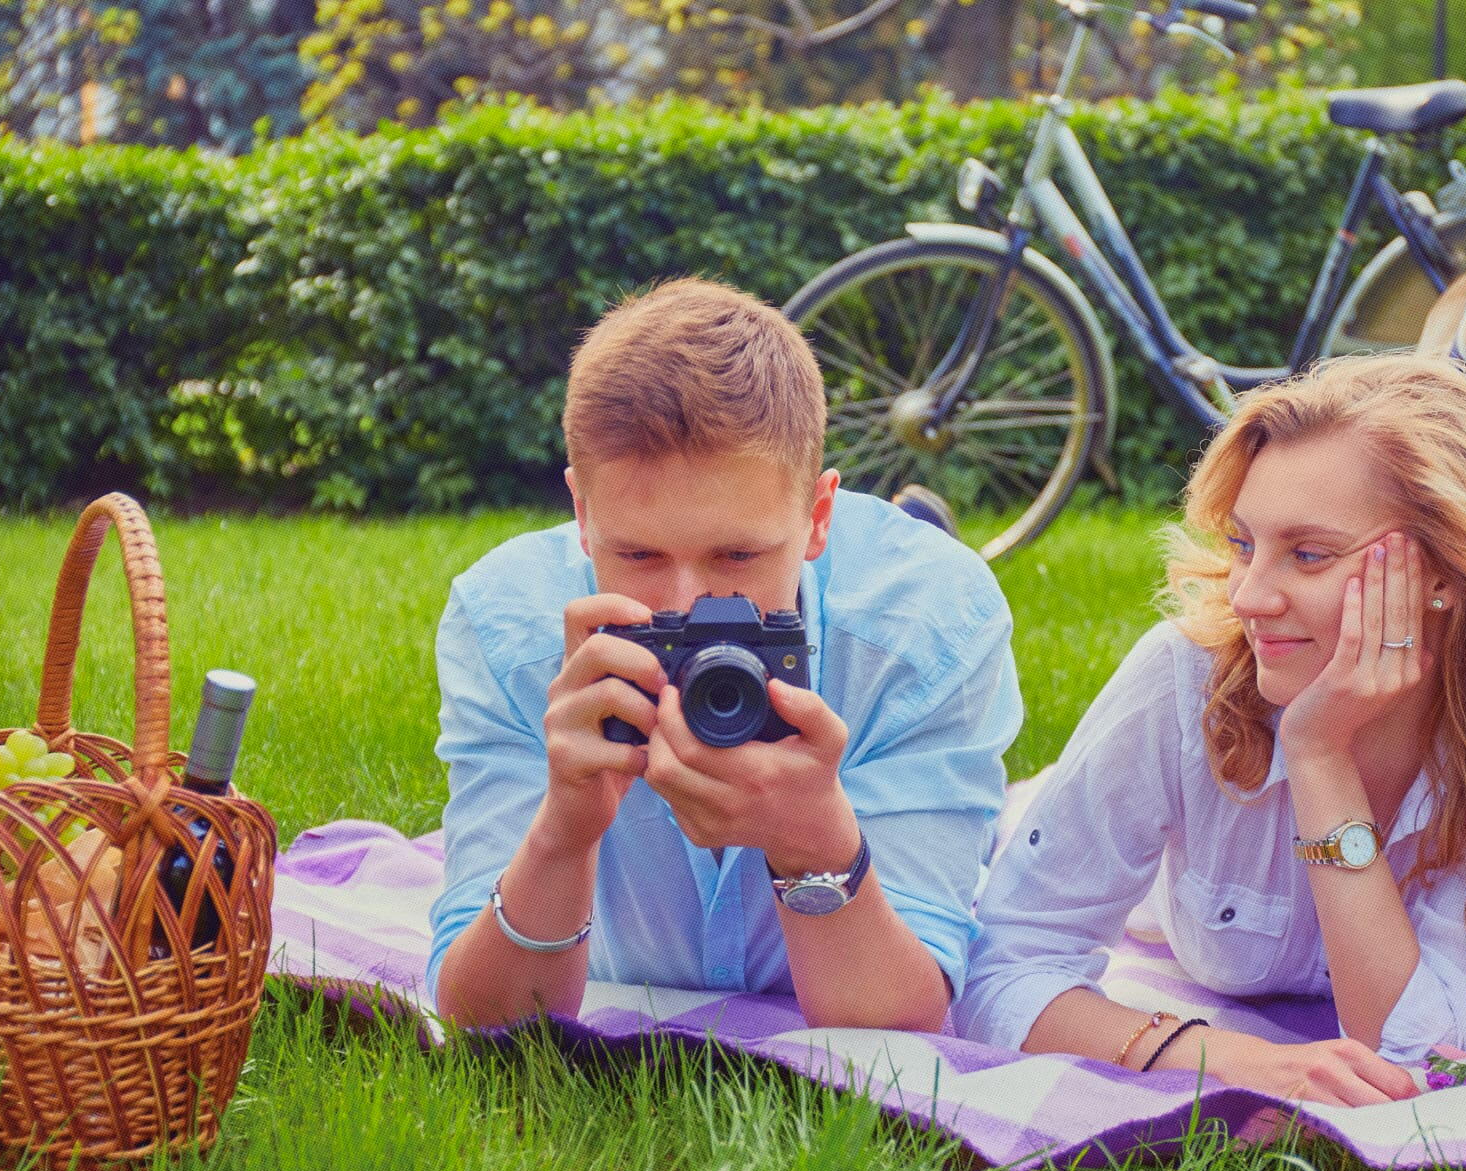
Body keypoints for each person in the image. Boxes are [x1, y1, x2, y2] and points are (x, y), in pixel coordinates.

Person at [955, 355, 1466, 1106]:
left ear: (1442, 571)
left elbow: (1417, 1058)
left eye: (1308, 553)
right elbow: (1004, 966)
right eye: (1243, 544)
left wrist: (1319, 753)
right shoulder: (1179, 684)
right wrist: (1212, 1056)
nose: (1248, 596)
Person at [428, 277, 1021, 1033]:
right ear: (581, 513)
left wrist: (813, 839)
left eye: (737, 553)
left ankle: (906, 530)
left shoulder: (928, 628)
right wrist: (562, 831)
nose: (684, 603)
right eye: (638, 553)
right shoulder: (509, 626)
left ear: (817, 516)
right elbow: (481, 1021)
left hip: (881, 608)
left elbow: (898, 1030)